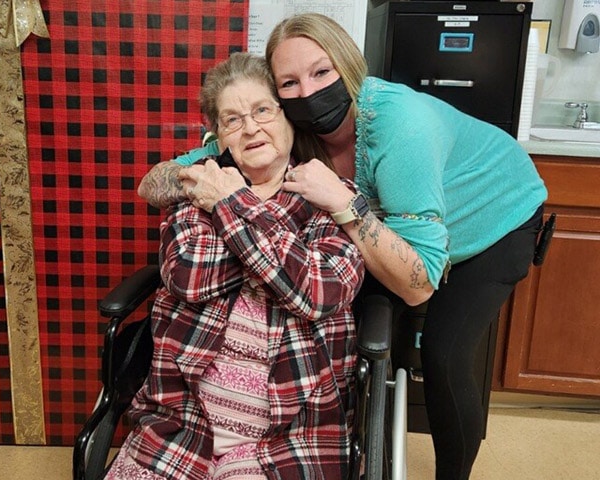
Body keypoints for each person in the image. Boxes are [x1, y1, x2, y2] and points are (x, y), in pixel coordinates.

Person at [136, 13, 548, 480]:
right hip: (401, 227)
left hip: (494, 215)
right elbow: (160, 180)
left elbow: (418, 285)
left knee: (444, 352)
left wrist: (342, 204)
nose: (308, 91)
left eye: (321, 72)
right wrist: (206, 172)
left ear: (348, 65)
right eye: (289, 83)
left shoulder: (400, 125)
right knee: (354, 309)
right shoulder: (285, 126)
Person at [106, 52, 365, 480]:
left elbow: (320, 290)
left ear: (287, 119)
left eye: (262, 110)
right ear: (219, 137)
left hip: (288, 435)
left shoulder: (329, 193)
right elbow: (189, 274)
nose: (250, 128)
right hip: (184, 424)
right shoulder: (198, 189)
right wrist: (282, 265)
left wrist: (231, 204)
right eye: (232, 120)